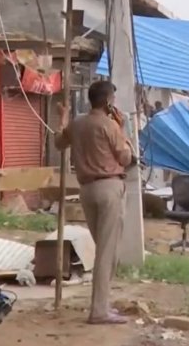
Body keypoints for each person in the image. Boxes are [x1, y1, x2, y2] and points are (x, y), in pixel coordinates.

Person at [55, 80, 136, 325]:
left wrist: (65, 117)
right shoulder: (111, 125)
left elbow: (59, 142)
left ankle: (102, 304)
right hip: (109, 187)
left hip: (87, 190)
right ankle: (100, 310)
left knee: (104, 248)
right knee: (106, 251)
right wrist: (124, 132)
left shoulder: (78, 123)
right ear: (109, 101)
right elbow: (125, 157)